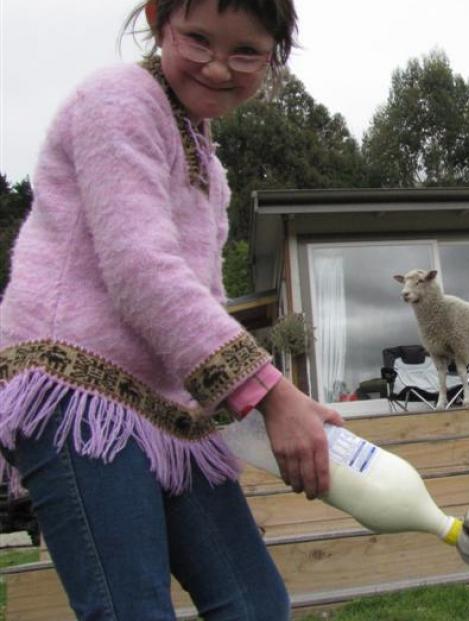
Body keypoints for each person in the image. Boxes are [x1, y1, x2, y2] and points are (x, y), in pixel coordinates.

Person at [0, 1, 343, 618]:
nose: (217, 68)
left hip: (172, 413)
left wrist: (275, 400)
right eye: (197, 40)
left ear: (272, 60)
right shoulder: (117, 99)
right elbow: (140, 268)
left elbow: (200, 299)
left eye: (245, 52)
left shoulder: (208, 161)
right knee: (130, 608)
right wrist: (272, 394)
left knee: (256, 604)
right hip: (78, 391)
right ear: (160, 23)